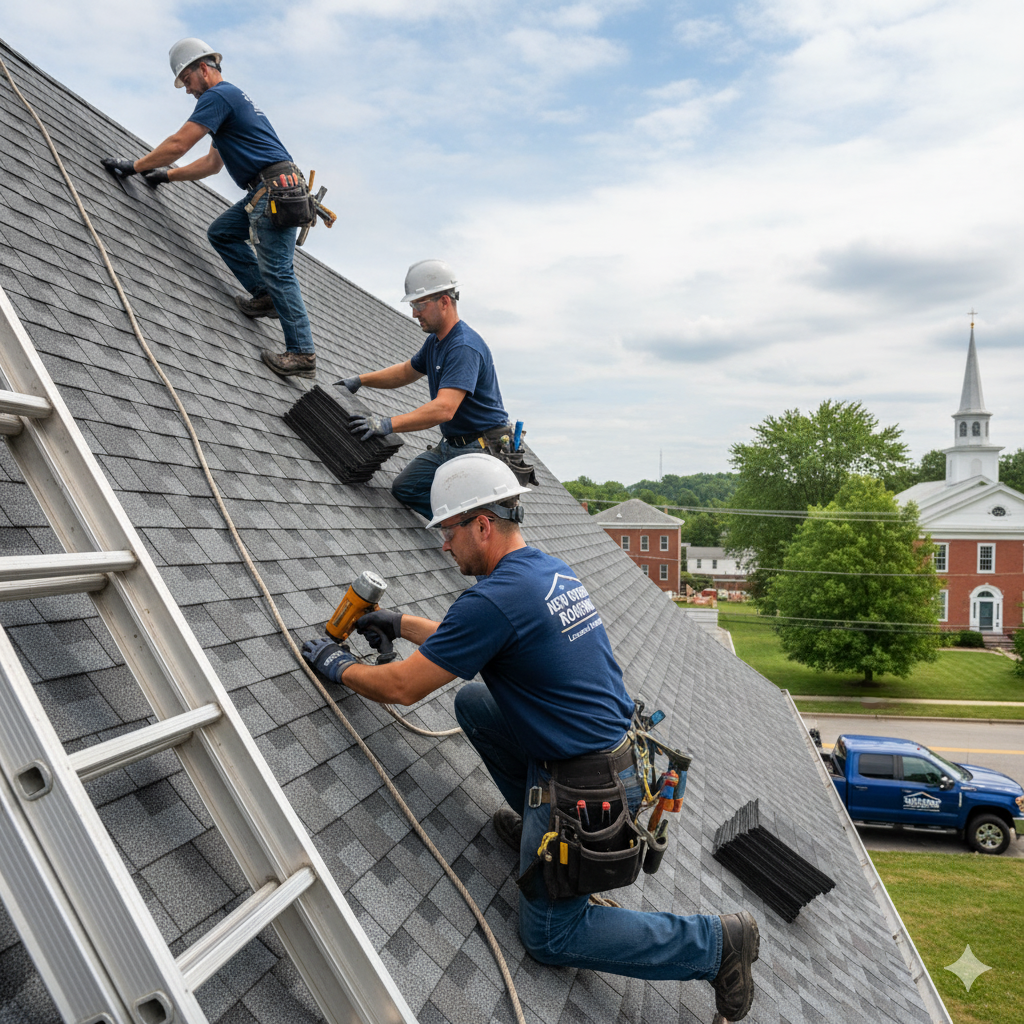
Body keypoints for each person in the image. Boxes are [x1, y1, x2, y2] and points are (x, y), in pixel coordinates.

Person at [301, 453, 759, 1021]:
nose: (445, 545)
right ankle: (532, 829)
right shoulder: (544, 570)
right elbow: (482, 638)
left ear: (482, 525)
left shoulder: (495, 597)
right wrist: (403, 624)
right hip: (617, 758)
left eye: (448, 531)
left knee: (549, 938)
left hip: (591, 791)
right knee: (474, 701)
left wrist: (334, 665)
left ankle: (716, 945)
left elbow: (400, 687)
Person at [102, 38, 317, 380]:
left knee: (279, 272)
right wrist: (166, 176)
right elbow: (212, 164)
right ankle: (265, 297)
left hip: (273, 192)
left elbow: (179, 143)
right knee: (222, 233)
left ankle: (302, 353)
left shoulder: (217, 96)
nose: (188, 91)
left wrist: (135, 166)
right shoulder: (230, 101)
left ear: (204, 68)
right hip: (273, 189)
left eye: (187, 81)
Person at [336, 259, 514, 520]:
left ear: (444, 301)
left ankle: (476, 528)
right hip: (452, 444)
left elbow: (444, 408)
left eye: (420, 305)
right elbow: (407, 371)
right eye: (412, 305)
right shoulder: (436, 342)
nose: (414, 313)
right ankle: (463, 525)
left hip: (480, 446)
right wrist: (360, 380)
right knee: (407, 488)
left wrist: (387, 424)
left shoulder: (463, 346)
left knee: (479, 513)